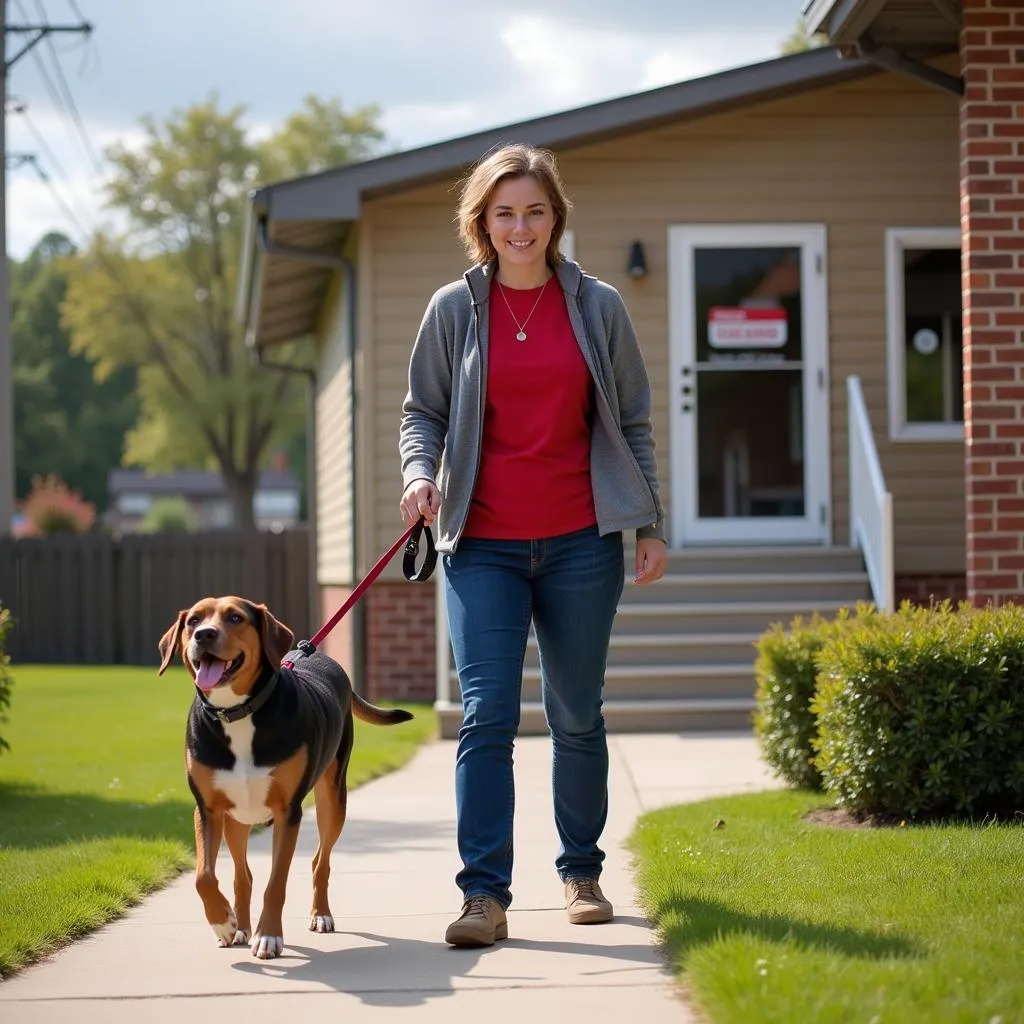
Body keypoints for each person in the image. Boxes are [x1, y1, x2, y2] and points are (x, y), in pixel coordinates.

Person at [398, 142, 667, 948]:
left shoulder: (598, 306)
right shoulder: (455, 308)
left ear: (556, 219)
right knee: (485, 716)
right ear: (481, 220)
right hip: (480, 544)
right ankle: (484, 895)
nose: (520, 227)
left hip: (583, 541)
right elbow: (423, 414)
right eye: (504, 212)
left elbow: (635, 423)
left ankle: (580, 873)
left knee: (575, 712)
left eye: (535, 211)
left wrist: (648, 524)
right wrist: (419, 475)